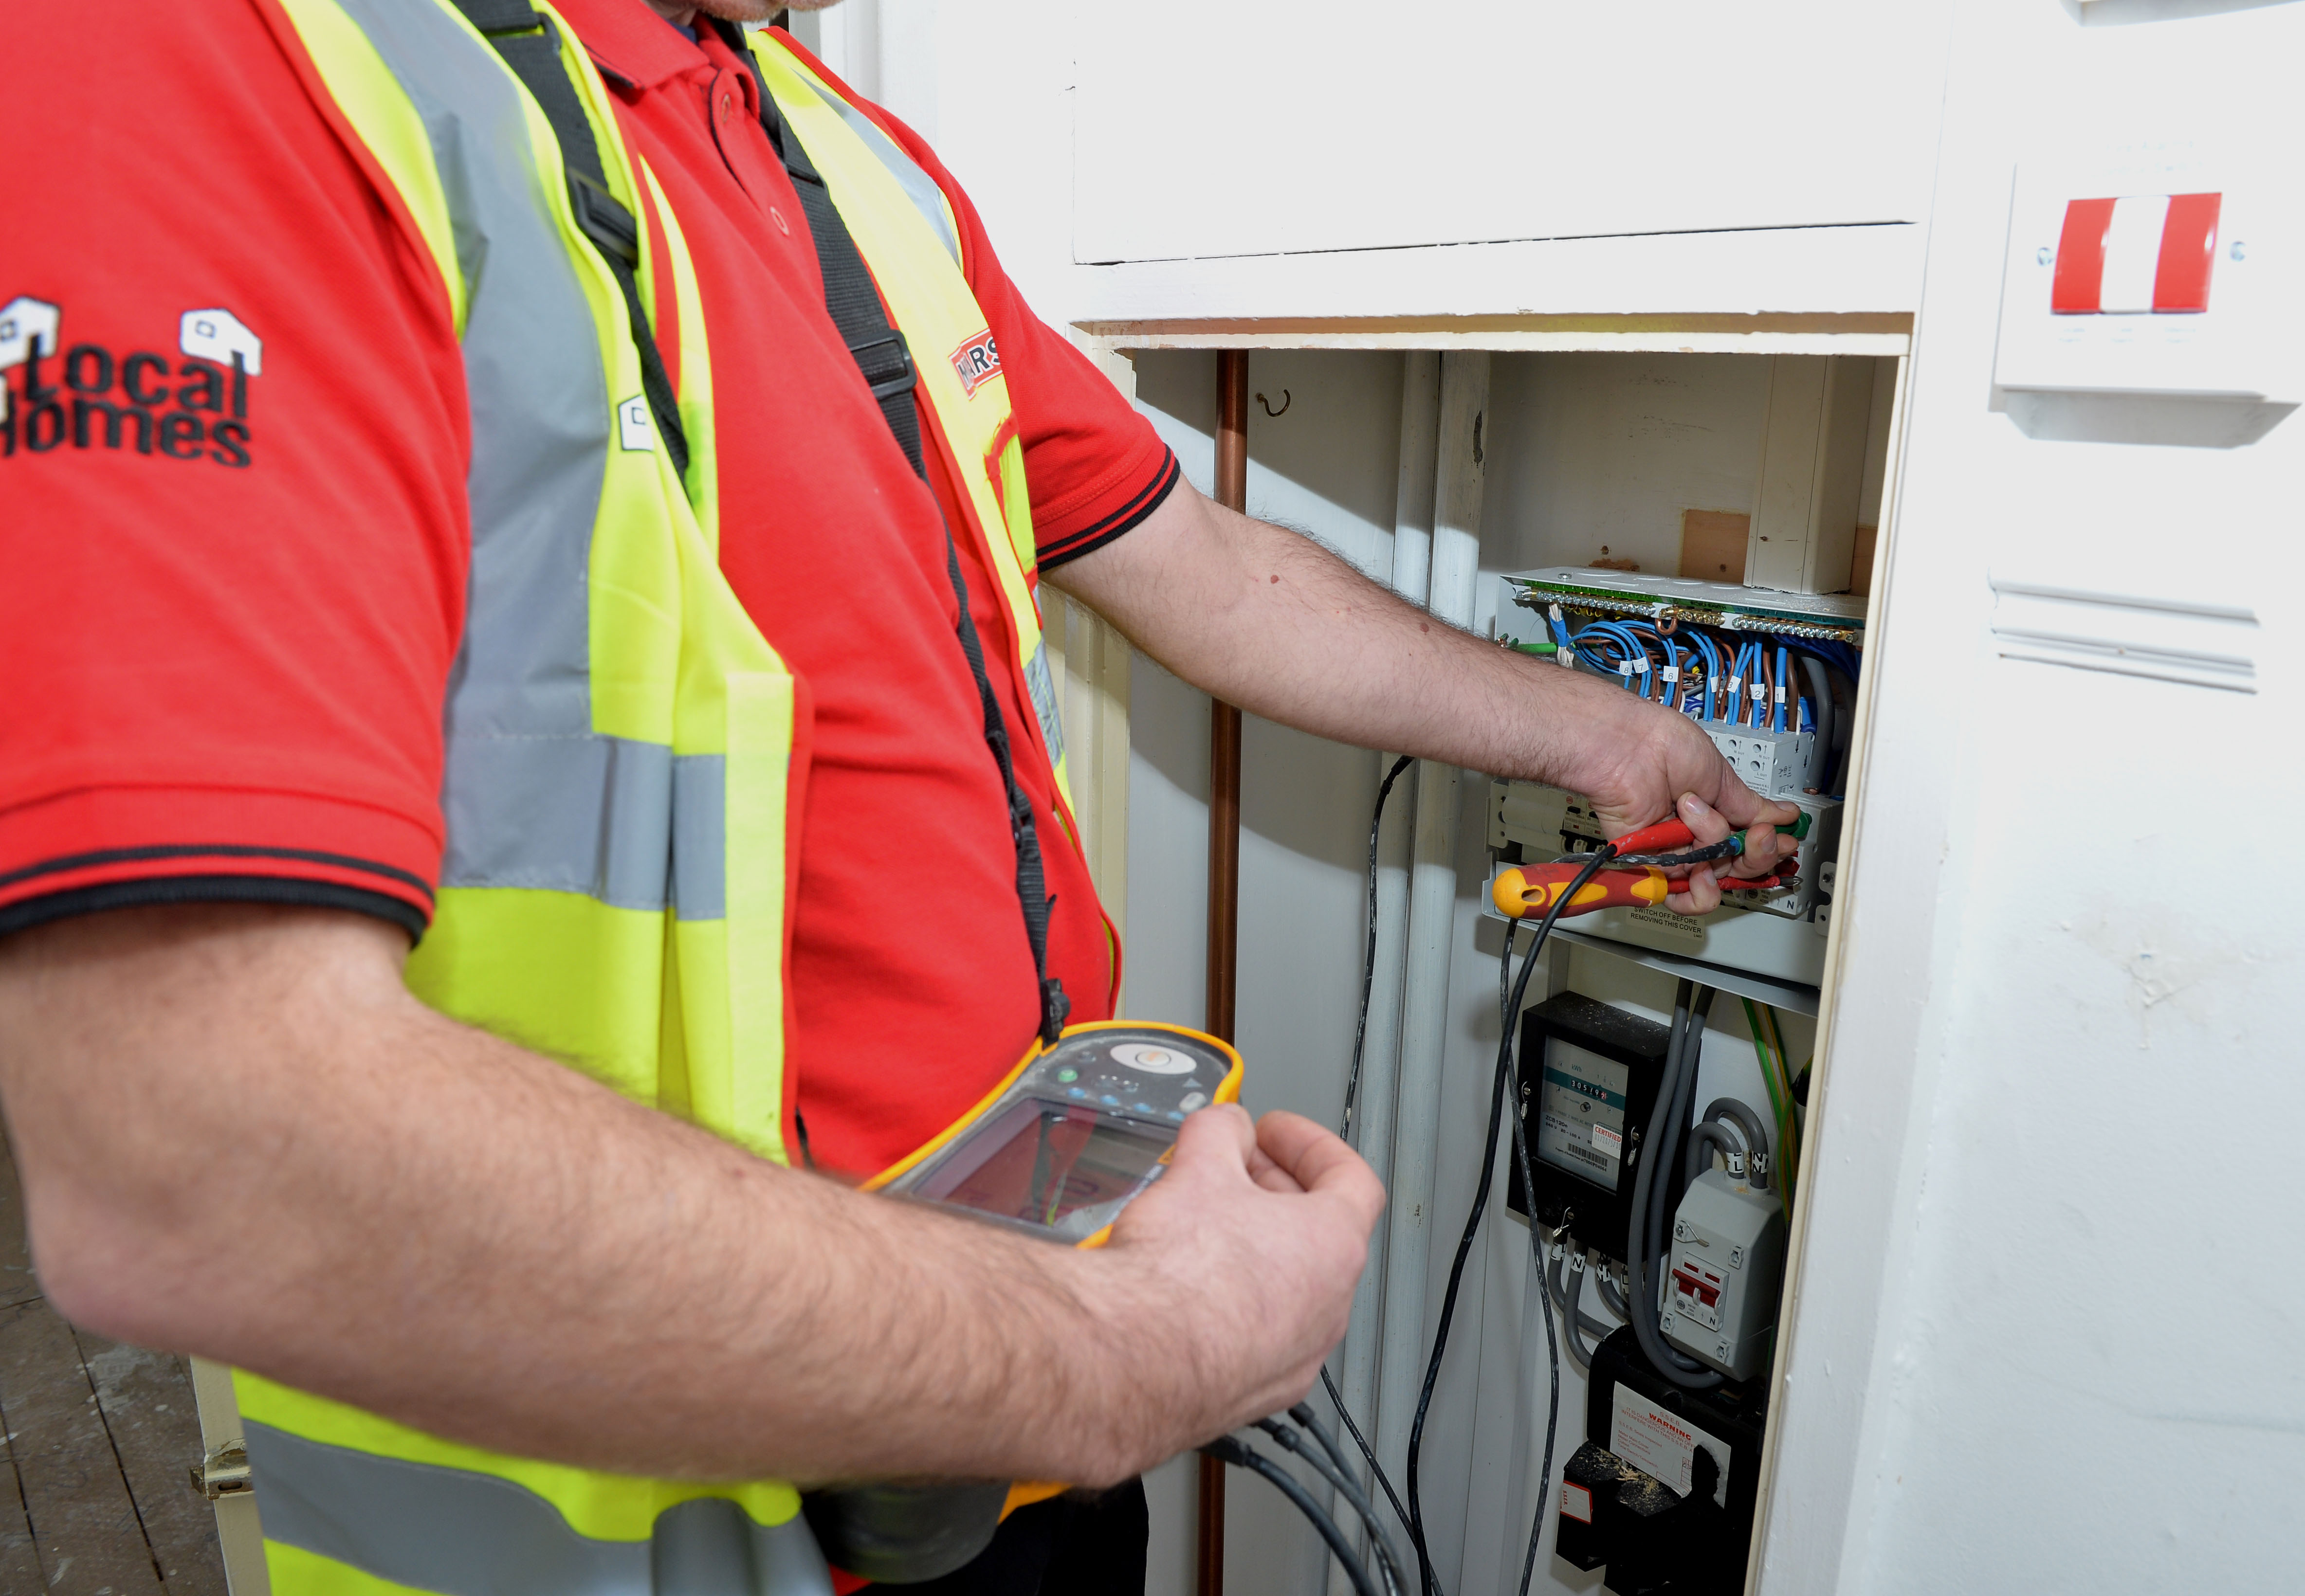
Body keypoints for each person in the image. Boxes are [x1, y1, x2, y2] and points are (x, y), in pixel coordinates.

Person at [0, 0, 1797, 1591]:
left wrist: (1604, 734)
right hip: (658, 1488)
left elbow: (1196, 560)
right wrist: (1141, 1350)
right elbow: (192, 1149)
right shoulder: (213, 49)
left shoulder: (846, 156)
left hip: (1010, 1413)